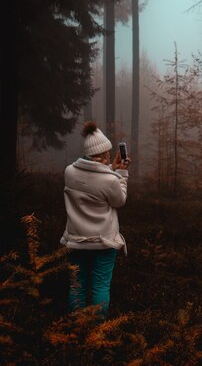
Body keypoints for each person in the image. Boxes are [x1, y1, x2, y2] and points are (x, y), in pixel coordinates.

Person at [60, 121, 131, 317]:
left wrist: (110, 169)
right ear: (102, 156)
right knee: (100, 287)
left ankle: (76, 327)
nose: (110, 156)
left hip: (76, 241)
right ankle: (97, 333)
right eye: (107, 154)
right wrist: (121, 173)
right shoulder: (110, 180)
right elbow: (119, 200)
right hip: (103, 242)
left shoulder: (69, 172)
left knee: (77, 286)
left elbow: (91, 177)